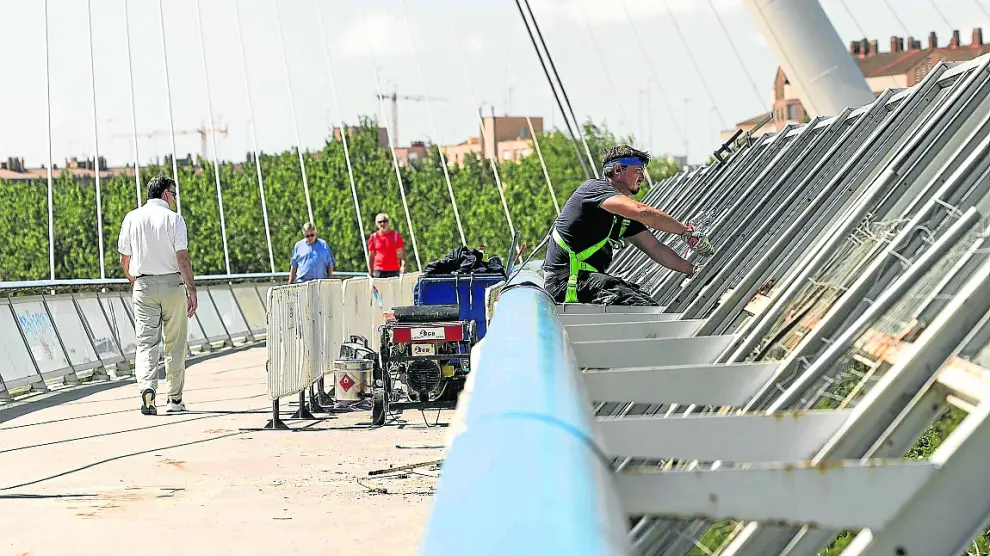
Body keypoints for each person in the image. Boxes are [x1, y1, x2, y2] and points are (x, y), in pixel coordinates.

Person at [543, 145, 713, 306]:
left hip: (584, 281)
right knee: (639, 306)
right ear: (618, 170)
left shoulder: (622, 219)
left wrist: (692, 270)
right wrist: (684, 232)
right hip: (565, 283)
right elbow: (643, 212)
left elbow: (655, 248)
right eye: (638, 170)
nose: (642, 177)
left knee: (644, 300)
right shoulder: (593, 189)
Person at [117, 175, 198, 415]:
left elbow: (124, 258)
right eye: (173, 194)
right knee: (175, 344)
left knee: (145, 344)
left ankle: (147, 392)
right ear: (165, 194)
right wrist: (191, 290)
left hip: (143, 286)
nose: (174, 199)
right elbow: (182, 259)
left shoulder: (131, 218)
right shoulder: (175, 220)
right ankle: (174, 400)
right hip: (173, 285)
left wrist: (136, 281)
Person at [367, 213, 406, 278]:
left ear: (388, 222)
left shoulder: (395, 236)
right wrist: (370, 271)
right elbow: (371, 256)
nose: (382, 224)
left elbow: (403, 254)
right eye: (380, 222)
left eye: (384, 221)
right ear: (377, 224)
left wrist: (403, 266)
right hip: (378, 271)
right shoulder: (374, 237)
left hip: (393, 270)